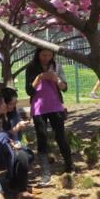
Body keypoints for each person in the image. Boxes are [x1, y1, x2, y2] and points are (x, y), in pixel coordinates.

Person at [25, 47, 74, 185]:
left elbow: (64, 88)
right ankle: (46, 174)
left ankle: (69, 167)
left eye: (49, 54)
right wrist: (39, 78)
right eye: (43, 54)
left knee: (60, 136)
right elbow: (29, 91)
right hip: (38, 107)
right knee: (42, 138)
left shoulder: (57, 66)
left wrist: (56, 80)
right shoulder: (31, 68)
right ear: (38, 54)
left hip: (55, 106)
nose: (46, 57)